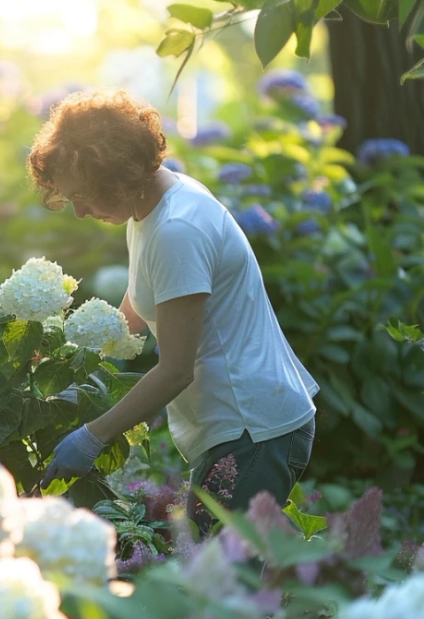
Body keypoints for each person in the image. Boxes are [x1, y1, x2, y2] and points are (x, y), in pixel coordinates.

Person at [30, 90, 318, 523]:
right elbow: (136, 310)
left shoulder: (177, 229)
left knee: (220, 582)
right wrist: (62, 354)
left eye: (82, 197)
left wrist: (93, 437)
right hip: (242, 427)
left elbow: (176, 370)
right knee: (220, 575)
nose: (80, 213)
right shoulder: (151, 208)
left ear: (117, 178)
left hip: (253, 429)